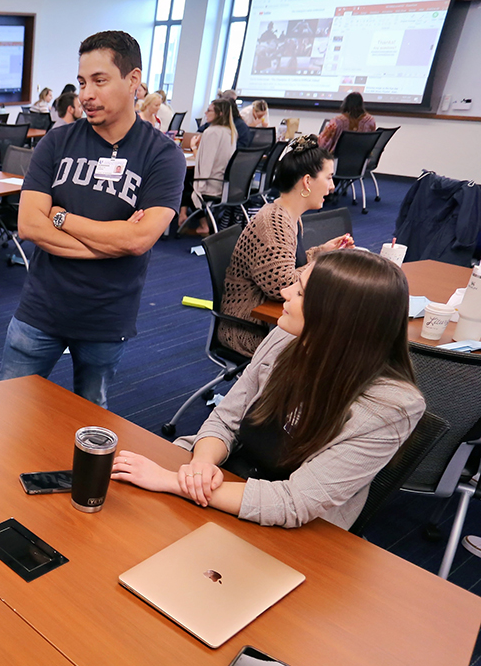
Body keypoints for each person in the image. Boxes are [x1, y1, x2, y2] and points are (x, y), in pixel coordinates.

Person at [112, 249, 425, 530]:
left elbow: (294, 502)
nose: (284, 292)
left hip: (296, 528)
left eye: (301, 292)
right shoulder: (286, 338)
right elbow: (226, 419)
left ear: (335, 318)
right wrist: (200, 468)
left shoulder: (391, 408)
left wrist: (172, 481)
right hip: (231, 478)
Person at [0, 30, 186, 407]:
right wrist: (110, 243)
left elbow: (139, 240)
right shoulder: (57, 141)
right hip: (40, 309)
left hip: (106, 318)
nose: (86, 94)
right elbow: (29, 225)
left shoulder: (163, 156)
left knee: (89, 425)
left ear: (133, 80)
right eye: (83, 82)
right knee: (7, 412)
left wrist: (62, 216)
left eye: (99, 81)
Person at [219, 135, 353, 356]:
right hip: (252, 327)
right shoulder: (274, 223)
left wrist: (322, 251)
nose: (332, 187)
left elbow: (285, 265)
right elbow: (282, 287)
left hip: (267, 318)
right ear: (307, 182)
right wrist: (324, 260)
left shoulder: (287, 214)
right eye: (329, 178)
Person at [183, 98, 238, 235]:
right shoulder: (230, 131)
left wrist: (193, 147)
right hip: (224, 184)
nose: (205, 113)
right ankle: (185, 217)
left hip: (211, 184)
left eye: (209, 110)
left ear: (219, 114)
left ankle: (202, 225)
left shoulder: (212, 132)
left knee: (183, 182)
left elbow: (205, 164)